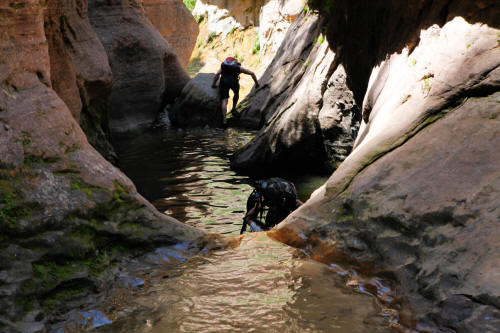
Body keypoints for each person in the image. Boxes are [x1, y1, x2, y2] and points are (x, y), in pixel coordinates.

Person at [212, 57, 260, 127]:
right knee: (236, 94)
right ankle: (233, 109)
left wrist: (213, 84)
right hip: (234, 83)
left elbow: (217, 75)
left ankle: (224, 120)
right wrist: (257, 84)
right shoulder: (238, 68)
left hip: (223, 83)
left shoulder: (224, 67)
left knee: (224, 101)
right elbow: (252, 73)